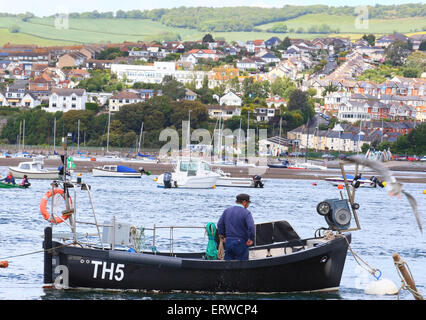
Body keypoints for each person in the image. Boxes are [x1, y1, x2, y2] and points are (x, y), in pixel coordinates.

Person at [217, 194, 255, 261]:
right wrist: (251, 239)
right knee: (242, 264)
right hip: (241, 242)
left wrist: (224, 236)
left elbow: (220, 224)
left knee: (228, 264)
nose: (248, 205)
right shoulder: (246, 213)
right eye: (248, 203)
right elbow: (251, 227)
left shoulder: (227, 211)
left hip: (228, 241)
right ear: (244, 202)